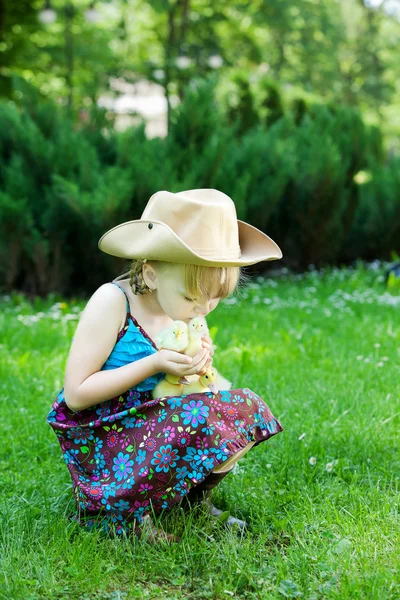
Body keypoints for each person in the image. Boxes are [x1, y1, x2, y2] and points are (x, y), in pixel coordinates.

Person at [47, 188, 284, 544]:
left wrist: (195, 370)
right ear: (152, 274)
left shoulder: (182, 307)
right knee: (203, 415)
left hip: (156, 425)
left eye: (217, 298)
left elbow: (178, 390)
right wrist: (152, 363)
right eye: (193, 298)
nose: (202, 310)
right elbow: (77, 396)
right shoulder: (113, 302)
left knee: (240, 408)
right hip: (107, 436)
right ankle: (127, 513)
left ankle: (191, 504)